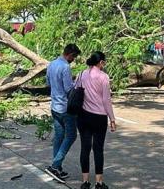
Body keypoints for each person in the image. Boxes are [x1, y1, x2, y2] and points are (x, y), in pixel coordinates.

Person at [77, 51, 116, 189]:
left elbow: (76, 91)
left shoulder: (81, 74)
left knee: (85, 148)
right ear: (100, 62)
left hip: (83, 116)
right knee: (98, 149)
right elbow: (106, 100)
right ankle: (99, 183)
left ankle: (85, 182)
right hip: (99, 117)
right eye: (104, 62)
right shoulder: (104, 77)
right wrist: (112, 118)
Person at [45, 43, 82, 183]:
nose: (74, 60)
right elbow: (69, 89)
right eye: (74, 57)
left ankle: (57, 168)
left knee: (59, 136)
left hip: (54, 106)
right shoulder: (65, 67)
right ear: (70, 54)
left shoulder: (52, 64)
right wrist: (77, 85)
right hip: (66, 108)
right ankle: (55, 165)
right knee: (71, 136)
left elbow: (48, 83)